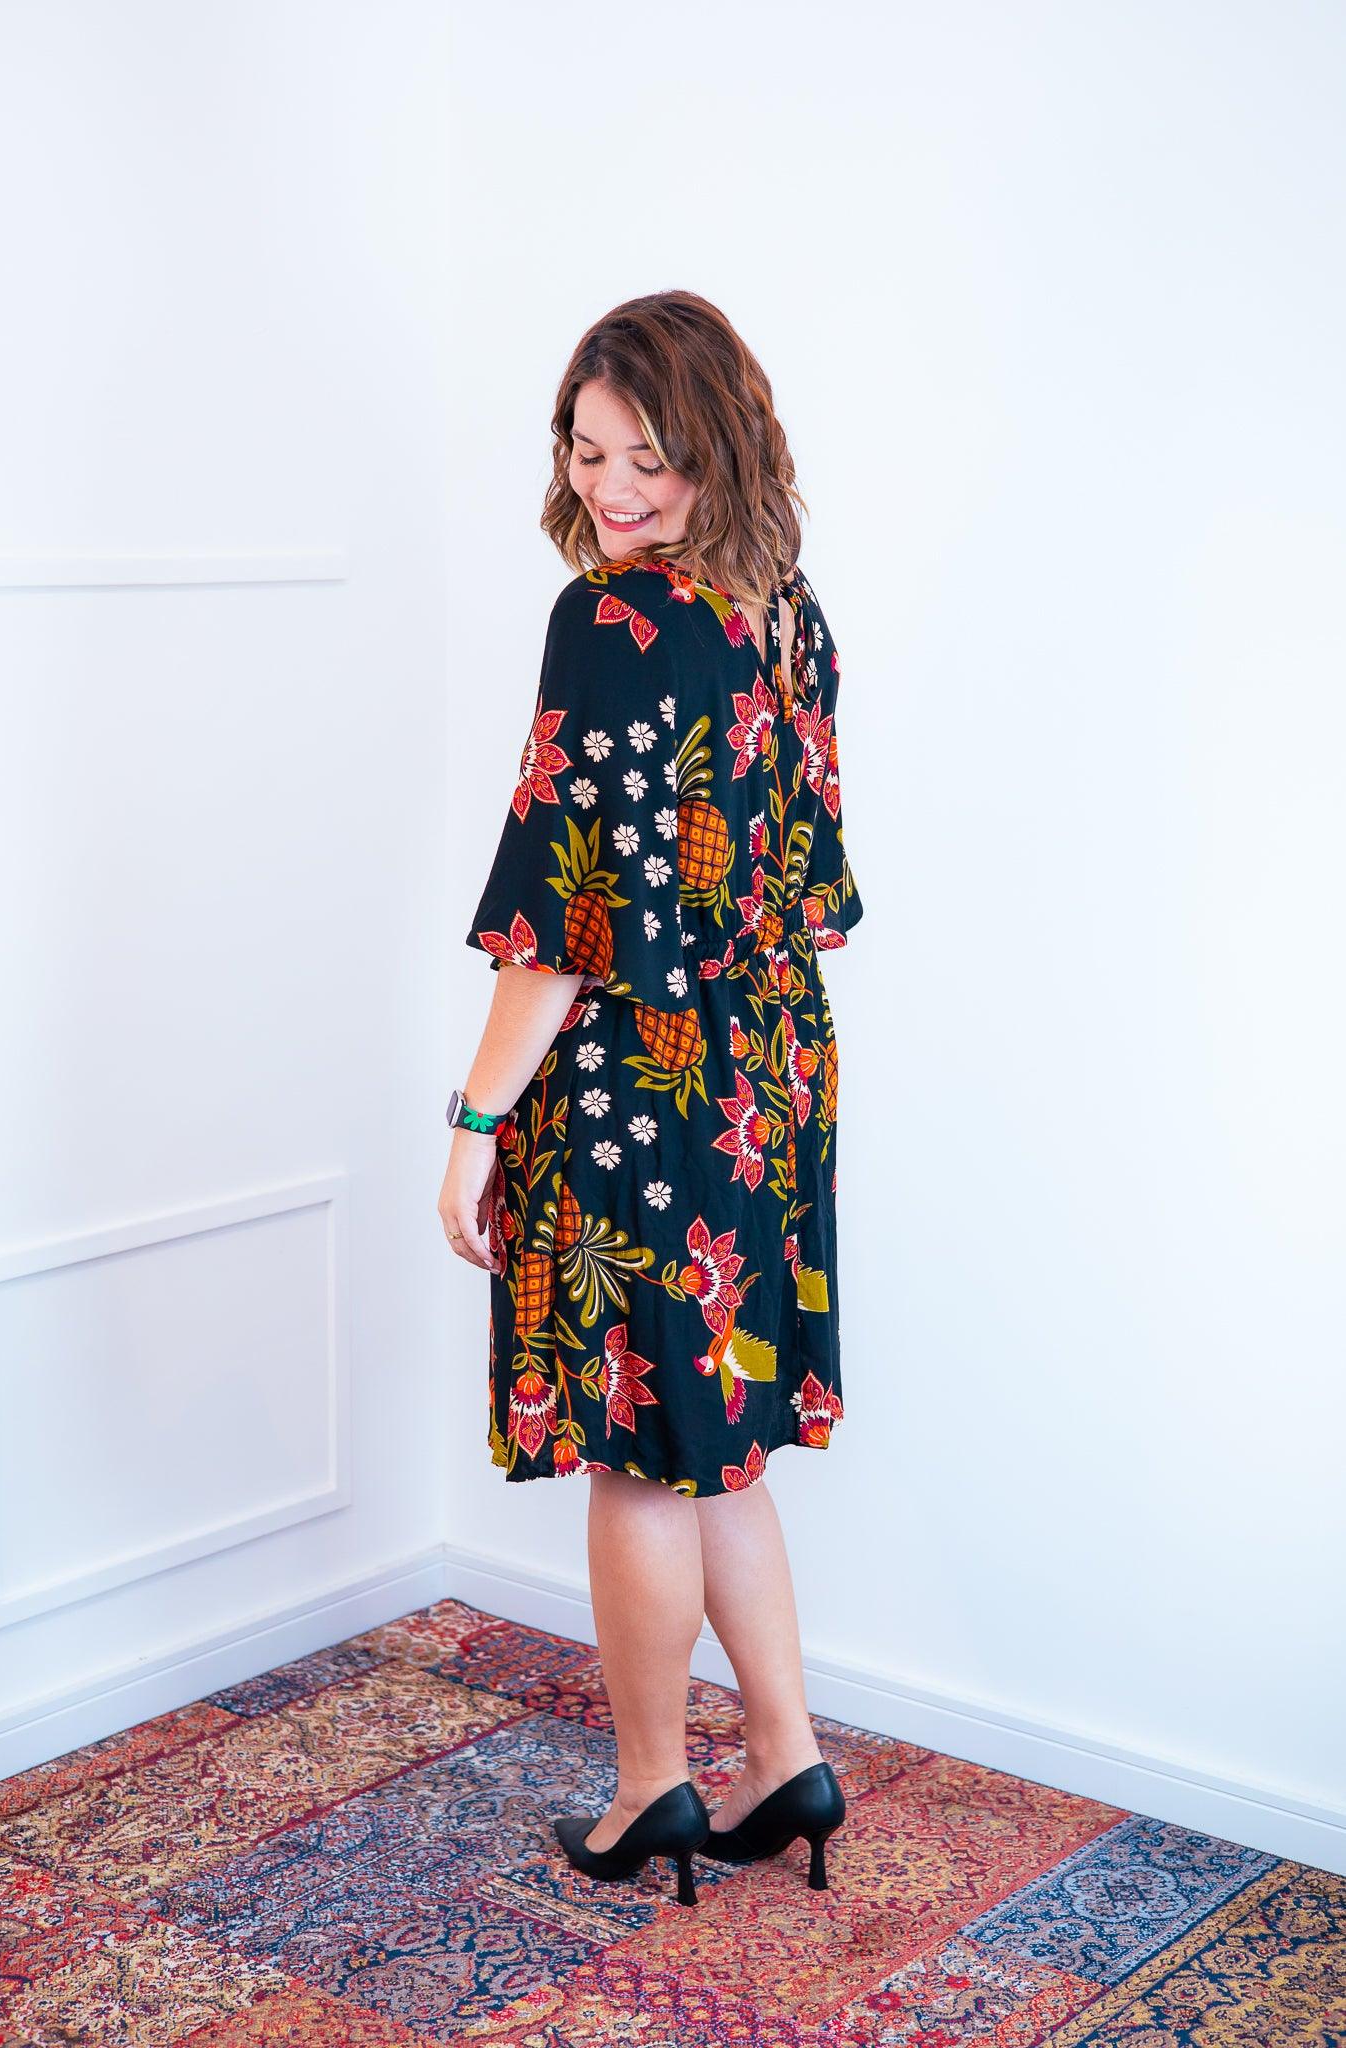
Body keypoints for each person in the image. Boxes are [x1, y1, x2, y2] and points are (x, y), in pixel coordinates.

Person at [438, 291, 864, 1908]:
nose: (611, 488)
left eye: (649, 457)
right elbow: (801, 872)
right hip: (770, 1067)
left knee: (638, 1448)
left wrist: (473, 1124)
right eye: (586, 447)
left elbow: (559, 923)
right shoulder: (784, 608)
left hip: (645, 1077)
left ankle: (647, 1794)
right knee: (718, 1442)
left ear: (717, 451)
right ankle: (786, 1759)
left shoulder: (610, 622)